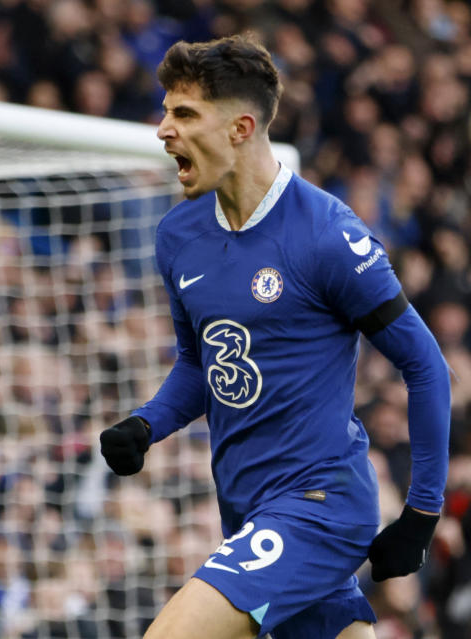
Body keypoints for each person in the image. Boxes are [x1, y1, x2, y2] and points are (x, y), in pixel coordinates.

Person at [99, 35, 451, 639]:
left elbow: (425, 365)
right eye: (165, 111)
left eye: (183, 113)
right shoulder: (178, 235)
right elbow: (200, 363)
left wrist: (421, 513)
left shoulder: (327, 236)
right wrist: (148, 423)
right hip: (246, 510)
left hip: (319, 507)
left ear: (240, 128)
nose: (163, 129)